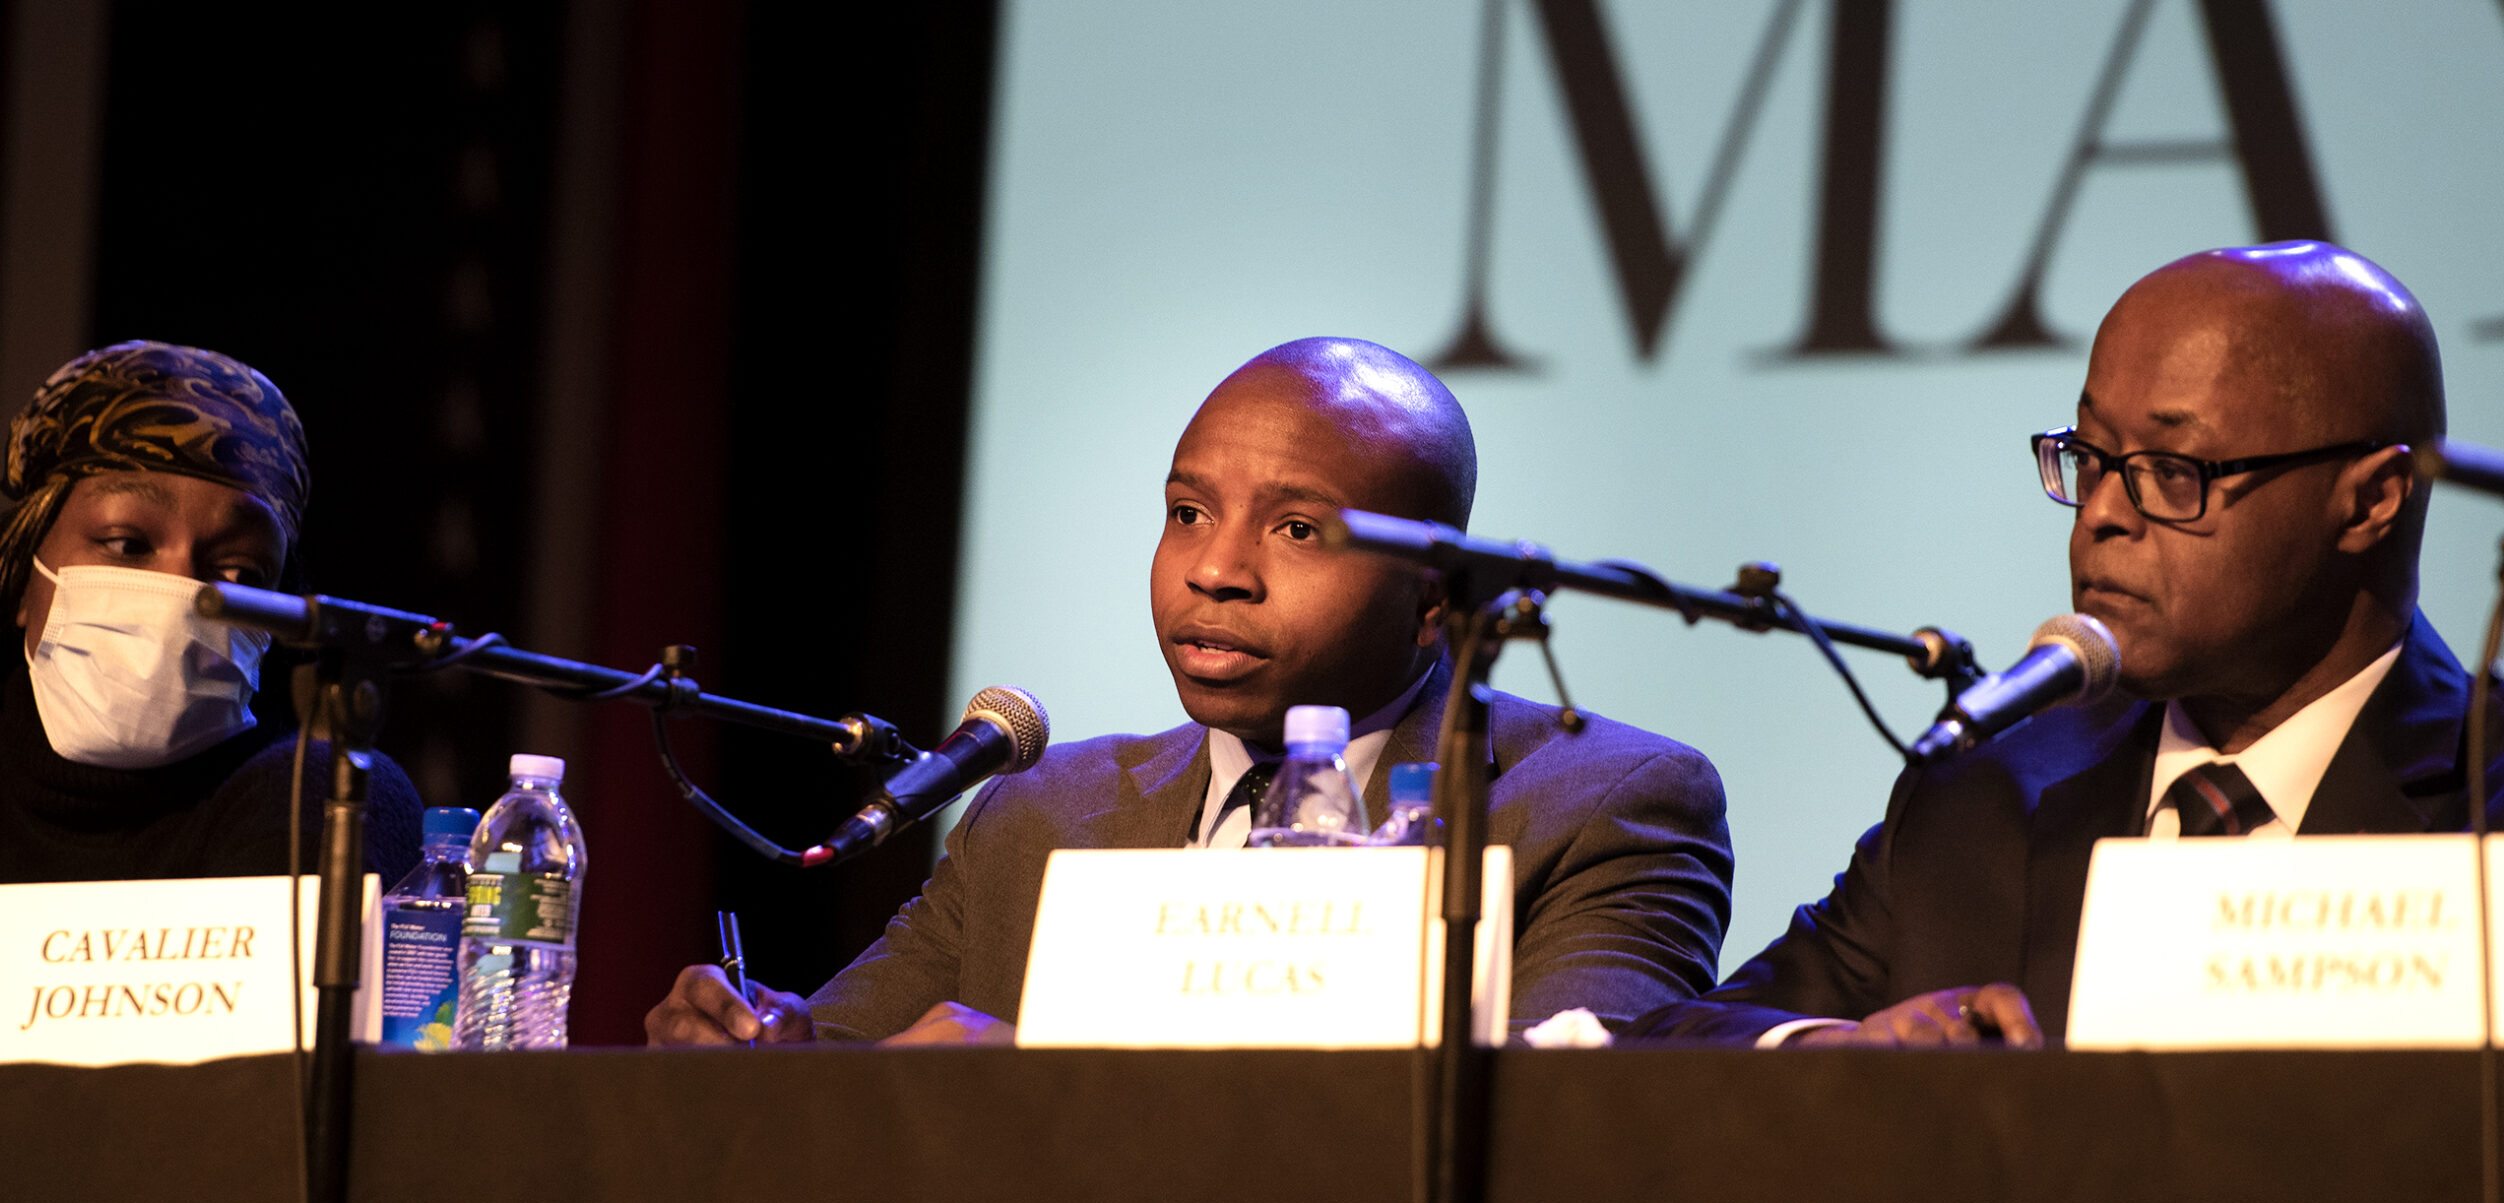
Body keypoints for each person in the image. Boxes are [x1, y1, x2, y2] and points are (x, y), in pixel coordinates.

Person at [648, 337, 1734, 1045]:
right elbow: (839, 1071)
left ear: (1436, 596)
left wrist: (1041, 1075)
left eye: (1297, 529)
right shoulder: (1042, 814)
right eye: (1187, 512)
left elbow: (1556, 1138)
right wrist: (759, 1046)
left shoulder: (1605, 807)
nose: (1216, 569)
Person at [1633, 241, 2495, 1048]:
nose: (2103, 515)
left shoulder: (2483, 802)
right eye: (2090, 458)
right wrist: (1845, 1052)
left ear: (2372, 501)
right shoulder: (1992, 787)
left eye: (2172, 472)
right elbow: (1681, 1043)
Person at [0, 341, 421, 897]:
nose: (181, 593)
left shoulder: (319, 797)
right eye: (127, 545)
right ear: (24, 575)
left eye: (238, 571)